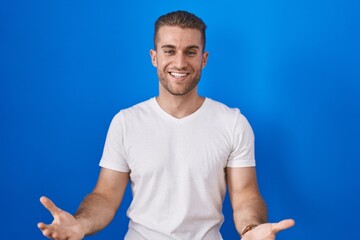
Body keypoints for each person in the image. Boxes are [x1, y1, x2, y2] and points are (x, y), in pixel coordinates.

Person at [38, 10, 295, 240]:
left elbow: (245, 195)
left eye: (191, 52)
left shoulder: (233, 123)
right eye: (169, 50)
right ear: (154, 57)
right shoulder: (126, 122)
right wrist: (81, 224)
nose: (180, 63)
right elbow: (105, 195)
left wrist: (251, 230)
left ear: (204, 59)